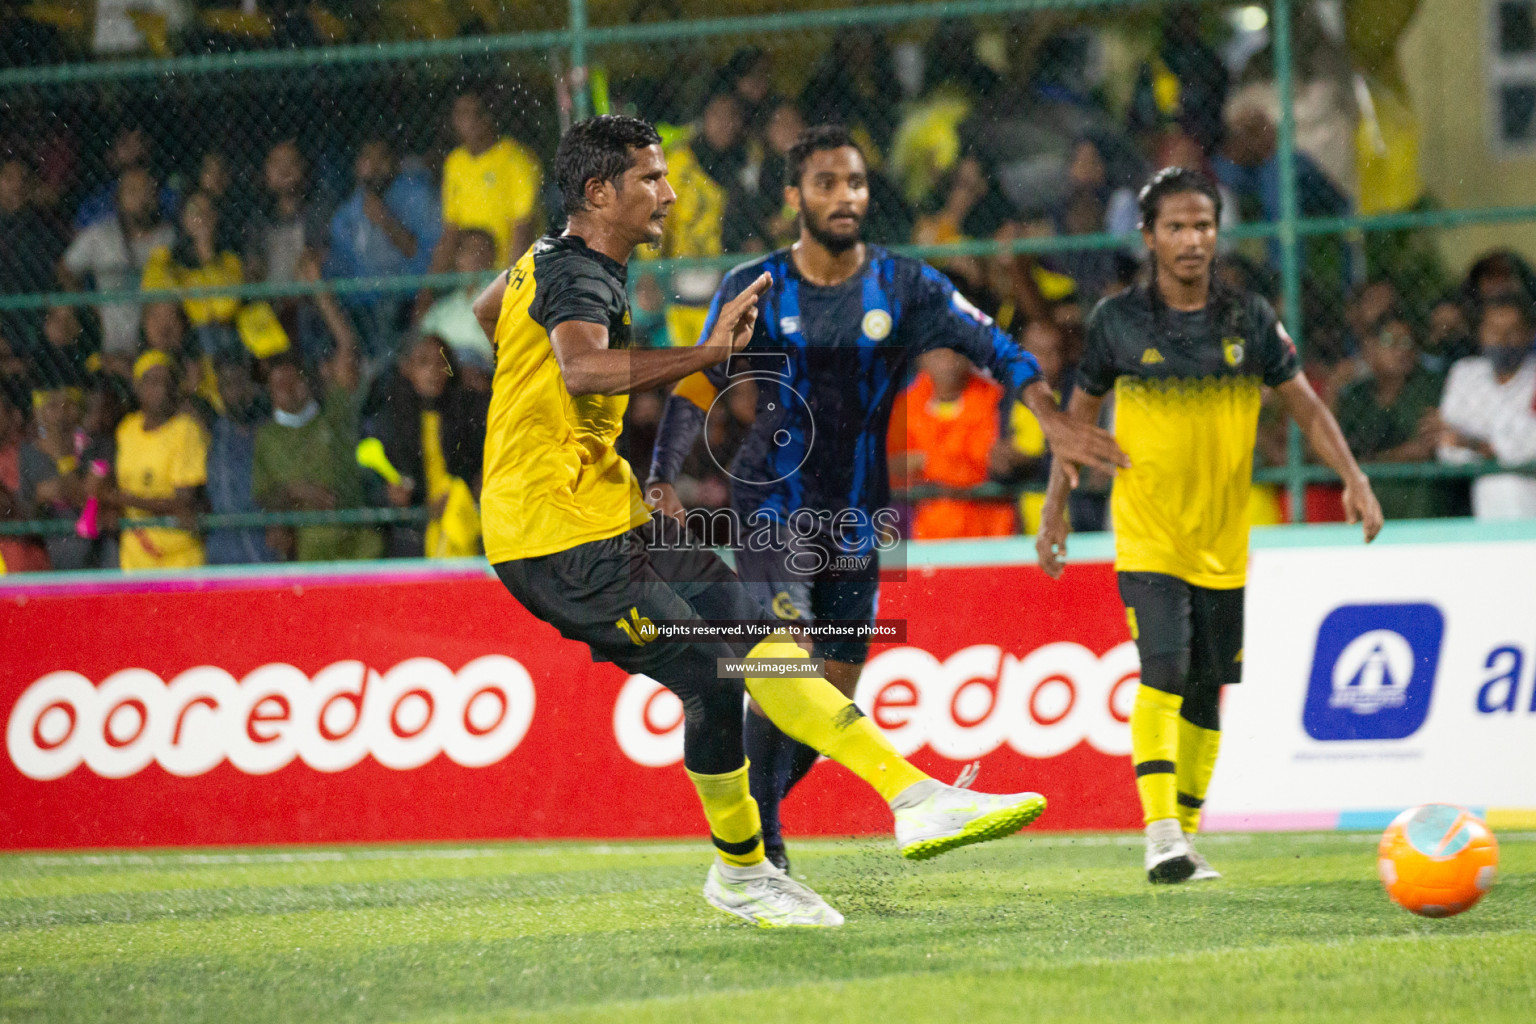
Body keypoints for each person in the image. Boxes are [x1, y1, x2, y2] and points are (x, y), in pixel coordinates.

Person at [472, 115, 1113, 928]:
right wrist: (703, 358)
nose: (669, 192)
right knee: (713, 679)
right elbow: (583, 367)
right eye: (650, 178)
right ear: (600, 192)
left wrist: (530, 406)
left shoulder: (547, 261)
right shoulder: (583, 279)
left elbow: (489, 310)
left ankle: (912, 797)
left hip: (617, 514)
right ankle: (745, 870)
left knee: (765, 653)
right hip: (555, 540)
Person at [645, 124, 1127, 874]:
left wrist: (1051, 416)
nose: (846, 197)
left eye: (857, 183)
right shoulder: (757, 284)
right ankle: (759, 853)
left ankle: (754, 833)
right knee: (787, 671)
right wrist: (662, 474)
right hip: (772, 504)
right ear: (794, 196)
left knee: (832, 688)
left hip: (864, 513)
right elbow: (698, 384)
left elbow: (996, 348)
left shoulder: (906, 285)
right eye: (829, 183)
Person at [1035, 167, 1382, 884]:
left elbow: (1307, 407)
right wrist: (1054, 507)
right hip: (1148, 531)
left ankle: (1185, 842)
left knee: (1206, 687)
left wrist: (1354, 476)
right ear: (1149, 236)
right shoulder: (1117, 323)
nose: (1192, 240)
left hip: (1224, 538)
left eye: (1203, 226)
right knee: (1163, 667)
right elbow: (1078, 424)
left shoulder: (1248, 318)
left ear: (1217, 232)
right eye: (1176, 227)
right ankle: (1160, 832)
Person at [252, 334, 383, 563]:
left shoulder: (333, 412)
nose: (287, 390)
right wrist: (295, 492)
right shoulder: (266, 437)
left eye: (293, 381)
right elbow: (264, 497)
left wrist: (322, 297)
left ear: (306, 380)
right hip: (310, 551)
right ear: (270, 392)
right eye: (279, 385)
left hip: (359, 541)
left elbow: (346, 345)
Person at [361, 332, 487, 558]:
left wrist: (467, 490)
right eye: (423, 362)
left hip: (465, 520)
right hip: (413, 529)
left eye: (441, 362)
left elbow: (479, 464)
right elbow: (370, 482)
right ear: (406, 368)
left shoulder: (467, 412)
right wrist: (391, 495)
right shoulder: (390, 418)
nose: (434, 370)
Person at [422, 90, 541, 314]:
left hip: (505, 277)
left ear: (487, 117)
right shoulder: (455, 163)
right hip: (468, 281)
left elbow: (523, 230)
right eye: (458, 114)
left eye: (470, 114)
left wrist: (511, 289)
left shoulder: (517, 160)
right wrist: (428, 291)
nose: (463, 122)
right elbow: (451, 232)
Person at [327, 137, 440, 358]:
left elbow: (427, 256)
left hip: (411, 298)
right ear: (358, 165)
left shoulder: (417, 196)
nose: (376, 165)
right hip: (365, 306)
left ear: (394, 163)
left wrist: (387, 223)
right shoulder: (347, 213)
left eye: (382, 158)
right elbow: (341, 268)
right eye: (368, 158)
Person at [888, 347, 1016, 540]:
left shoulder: (995, 399)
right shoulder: (904, 405)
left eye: (956, 351)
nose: (949, 361)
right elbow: (890, 466)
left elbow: (984, 467)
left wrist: (925, 462)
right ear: (922, 359)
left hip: (989, 531)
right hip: (926, 532)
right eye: (939, 353)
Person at [1334, 312, 1447, 521]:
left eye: (1407, 342)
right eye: (1390, 341)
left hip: (1418, 501)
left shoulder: (1430, 387)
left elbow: (1422, 450)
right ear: (1371, 347)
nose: (1402, 349)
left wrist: (1372, 460)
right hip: (1369, 500)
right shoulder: (1356, 395)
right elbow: (1342, 452)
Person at [102, 351, 209, 570]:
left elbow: (182, 503)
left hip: (179, 556)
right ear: (138, 388)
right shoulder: (127, 429)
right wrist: (114, 505)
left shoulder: (185, 430)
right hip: (136, 552)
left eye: (167, 381)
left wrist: (122, 500)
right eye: (152, 380)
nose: (161, 387)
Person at [59, 166, 174, 358]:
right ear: (118, 198)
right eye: (133, 191)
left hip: (157, 341)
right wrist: (87, 302)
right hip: (108, 341)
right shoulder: (100, 235)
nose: (141, 200)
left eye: (147, 191)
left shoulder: (169, 237)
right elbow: (66, 269)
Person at [1438, 295, 1536, 520]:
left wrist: (1471, 441)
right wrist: (1495, 446)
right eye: (1494, 331)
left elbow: (1529, 447)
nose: (1502, 339)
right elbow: (1448, 450)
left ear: (1529, 333)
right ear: (1480, 333)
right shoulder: (1465, 373)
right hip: (1480, 504)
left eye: (1512, 331)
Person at [17, 385, 119, 570]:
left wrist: (61, 458)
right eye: (53, 406)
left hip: (97, 551)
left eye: (68, 405)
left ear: (80, 410)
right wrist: (43, 496)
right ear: (39, 413)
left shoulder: (99, 444)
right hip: (52, 550)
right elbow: (29, 508)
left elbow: (85, 497)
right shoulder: (29, 452)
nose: (61, 415)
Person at [204, 352, 277, 565]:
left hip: (262, 544)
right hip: (221, 548)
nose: (235, 391)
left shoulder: (270, 431)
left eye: (240, 382)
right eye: (226, 384)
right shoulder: (214, 431)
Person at [418, 228, 499, 370]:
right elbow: (424, 341)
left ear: (492, 258)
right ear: (457, 259)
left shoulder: (503, 300)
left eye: (482, 250)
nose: (475, 256)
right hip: (444, 375)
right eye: (469, 250)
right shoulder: (443, 308)